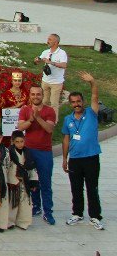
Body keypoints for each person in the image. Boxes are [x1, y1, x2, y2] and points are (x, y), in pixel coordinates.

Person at [61, 72, 104, 230]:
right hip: (75, 159)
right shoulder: (68, 119)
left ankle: (95, 216)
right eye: (73, 102)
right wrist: (65, 159)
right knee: (75, 187)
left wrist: (92, 81)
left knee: (92, 187)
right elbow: (66, 139)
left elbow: (95, 96)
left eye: (79, 101)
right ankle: (77, 213)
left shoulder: (92, 113)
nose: (76, 104)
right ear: (70, 104)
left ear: (83, 102)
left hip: (91, 157)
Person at [16, 84, 57, 224]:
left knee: (45, 182)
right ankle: (36, 206)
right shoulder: (25, 110)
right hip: (29, 150)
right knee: (32, 181)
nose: (35, 97)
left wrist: (38, 118)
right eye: (33, 94)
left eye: (38, 94)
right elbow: (20, 127)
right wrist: (31, 119)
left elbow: (50, 129)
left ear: (42, 95)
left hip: (44, 151)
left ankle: (48, 211)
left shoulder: (50, 111)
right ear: (30, 95)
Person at [7, 130, 38, 230]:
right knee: (12, 202)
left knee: (24, 202)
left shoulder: (28, 153)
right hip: (12, 180)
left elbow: (32, 169)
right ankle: (10, 222)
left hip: (25, 181)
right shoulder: (8, 153)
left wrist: (33, 182)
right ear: (12, 142)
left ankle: (23, 222)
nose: (20, 144)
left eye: (22, 141)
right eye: (17, 142)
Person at [34, 34, 68, 110]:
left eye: (50, 40)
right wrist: (36, 60)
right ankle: (43, 118)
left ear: (56, 42)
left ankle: (54, 121)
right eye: (48, 39)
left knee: (54, 104)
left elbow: (64, 65)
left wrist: (51, 62)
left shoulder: (62, 53)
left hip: (56, 82)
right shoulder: (46, 52)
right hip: (45, 81)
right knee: (44, 102)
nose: (47, 41)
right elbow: (37, 61)